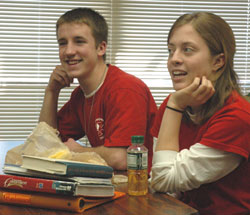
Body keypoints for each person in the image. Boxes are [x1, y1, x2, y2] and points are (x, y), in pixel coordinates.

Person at [149, 12, 250, 214]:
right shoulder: (175, 103)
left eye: (187, 50)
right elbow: (162, 182)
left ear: (218, 61)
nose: (174, 59)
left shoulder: (237, 115)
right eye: (171, 50)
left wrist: (175, 106)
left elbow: (163, 180)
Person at [39, 8, 157, 171]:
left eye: (79, 41)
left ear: (101, 48)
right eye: (62, 43)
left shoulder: (125, 89)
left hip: (143, 188)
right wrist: (51, 92)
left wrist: (78, 151)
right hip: (111, 184)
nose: (69, 51)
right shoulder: (80, 95)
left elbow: (121, 158)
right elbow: (46, 141)